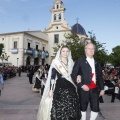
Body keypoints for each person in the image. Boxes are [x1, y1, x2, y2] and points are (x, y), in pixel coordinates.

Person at [37, 45, 81, 120]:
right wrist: (51, 90)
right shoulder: (56, 62)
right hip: (60, 87)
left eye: (67, 51)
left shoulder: (71, 62)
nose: (65, 53)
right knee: (60, 107)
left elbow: (75, 73)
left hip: (71, 87)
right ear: (60, 52)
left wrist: (79, 75)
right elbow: (52, 77)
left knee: (71, 106)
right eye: (63, 51)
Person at [71, 43, 104, 120]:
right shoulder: (80, 60)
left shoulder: (97, 62)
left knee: (95, 108)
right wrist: (81, 85)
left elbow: (99, 76)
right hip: (83, 89)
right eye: (89, 48)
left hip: (95, 90)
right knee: (83, 108)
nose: (91, 50)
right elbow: (73, 74)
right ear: (85, 50)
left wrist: (102, 88)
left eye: (92, 49)